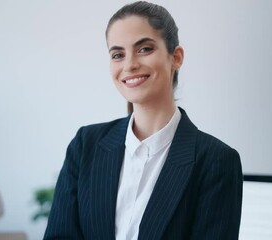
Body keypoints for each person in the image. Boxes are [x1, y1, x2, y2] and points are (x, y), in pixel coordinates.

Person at [44, 1, 242, 239]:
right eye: (118, 54)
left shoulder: (216, 161)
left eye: (144, 49)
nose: (129, 65)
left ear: (176, 57)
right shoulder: (85, 145)